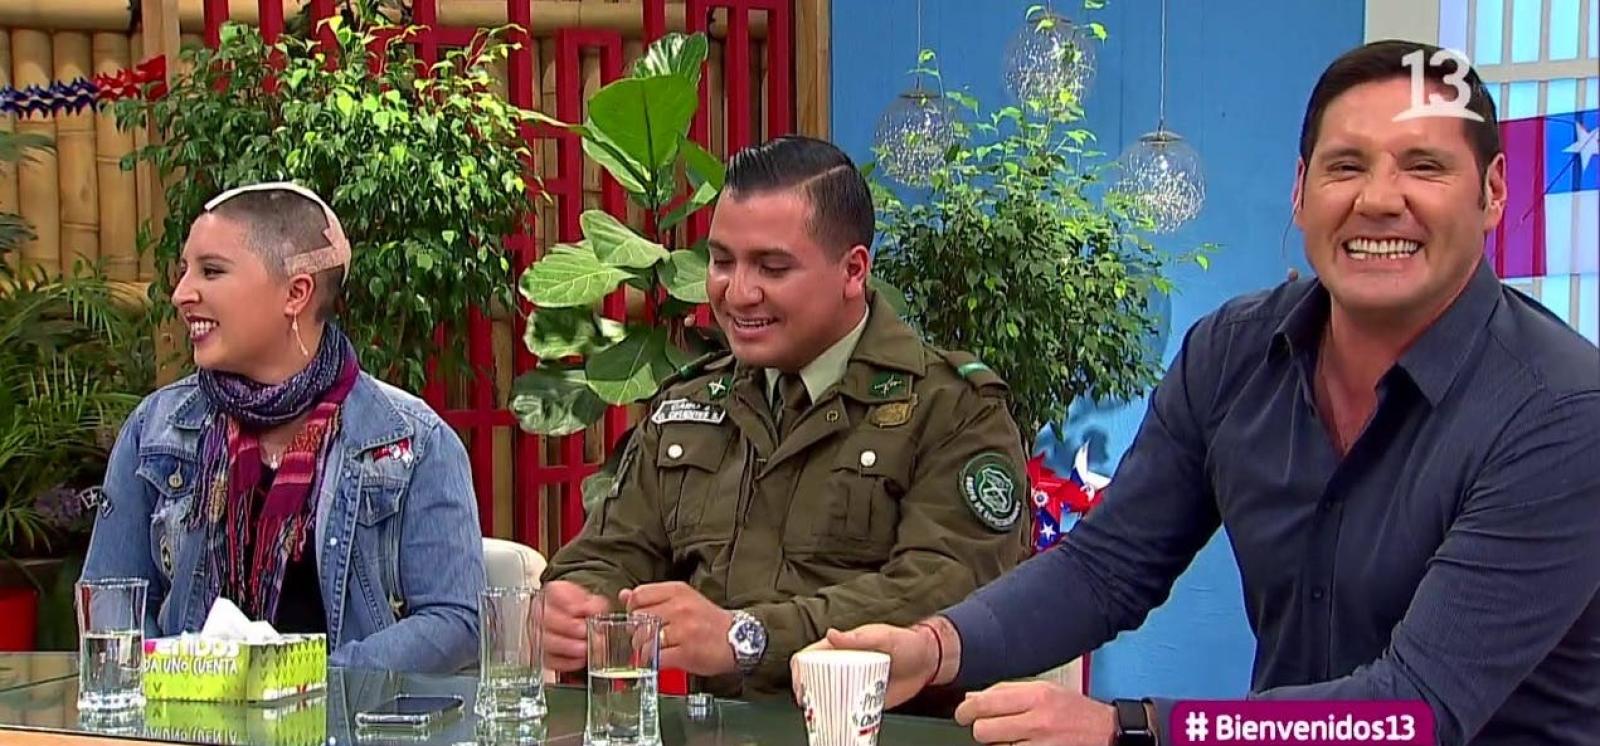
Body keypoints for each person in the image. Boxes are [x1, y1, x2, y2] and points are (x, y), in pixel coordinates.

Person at [806, 39, 1600, 746]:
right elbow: (1105, 567)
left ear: (1493, 192)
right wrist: (938, 645)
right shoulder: (1232, 354)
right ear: (1301, 191)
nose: (1379, 199)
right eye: (1346, 166)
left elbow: (1414, 710)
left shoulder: (1562, 413)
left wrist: (1128, 727)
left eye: (1423, 166)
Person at [539, 135, 1032, 699]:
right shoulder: (691, 404)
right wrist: (580, 603)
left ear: (853, 270)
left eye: (772, 267)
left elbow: (945, 591)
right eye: (722, 261)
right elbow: (611, 551)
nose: (737, 292)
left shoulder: (953, 409)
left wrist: (747, 636)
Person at [80, 182, 486, 674]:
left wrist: (303, 683)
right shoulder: (156, 430)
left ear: (296, 293)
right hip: (186, 710)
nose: (182, 293)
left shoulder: (412, 442)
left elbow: (455, 621)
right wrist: (178, 679)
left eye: (211, 271)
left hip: (348, 713)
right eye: (184, 270)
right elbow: (109, 599)